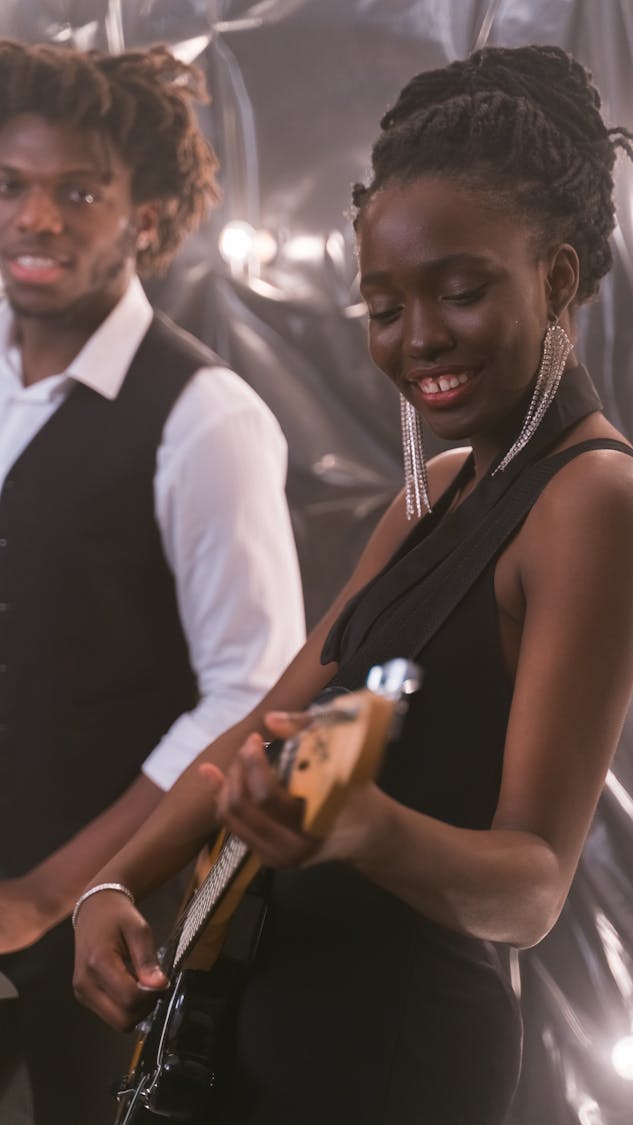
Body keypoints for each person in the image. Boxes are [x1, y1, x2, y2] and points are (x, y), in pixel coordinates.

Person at [72, 43, 633, 1125]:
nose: (419, 338)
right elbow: (270, 721)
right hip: (269, 1021)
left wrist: (361, 828)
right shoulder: (439, 485)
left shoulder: (597, 501)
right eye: (384, 306)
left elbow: (532, 889)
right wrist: (113, 883)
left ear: (561, 278)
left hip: (393, 1058)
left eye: (462, 289)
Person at [0, 39, 306, 1125]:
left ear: (147, 212)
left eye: (77, 191)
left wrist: (58, 888)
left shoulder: (206, 417)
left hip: (97, 927)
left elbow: (252, 693)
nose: (36, 218)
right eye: (11, 185)